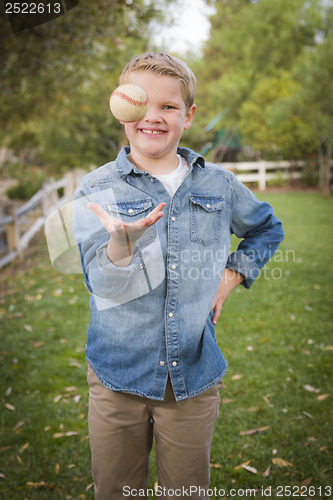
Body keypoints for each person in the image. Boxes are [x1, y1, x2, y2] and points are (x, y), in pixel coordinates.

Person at [73, 52, 284, 500]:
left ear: (188, 116)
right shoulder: (96, 188)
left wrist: (229, 278)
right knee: (115, 491)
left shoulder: (219, 185)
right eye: (140, 103)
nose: (152, 116)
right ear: (119, 106)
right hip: (117, 378)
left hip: (192, 374)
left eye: (168, 107)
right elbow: (101, 285)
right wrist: (120, 245)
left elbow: (267, 227)